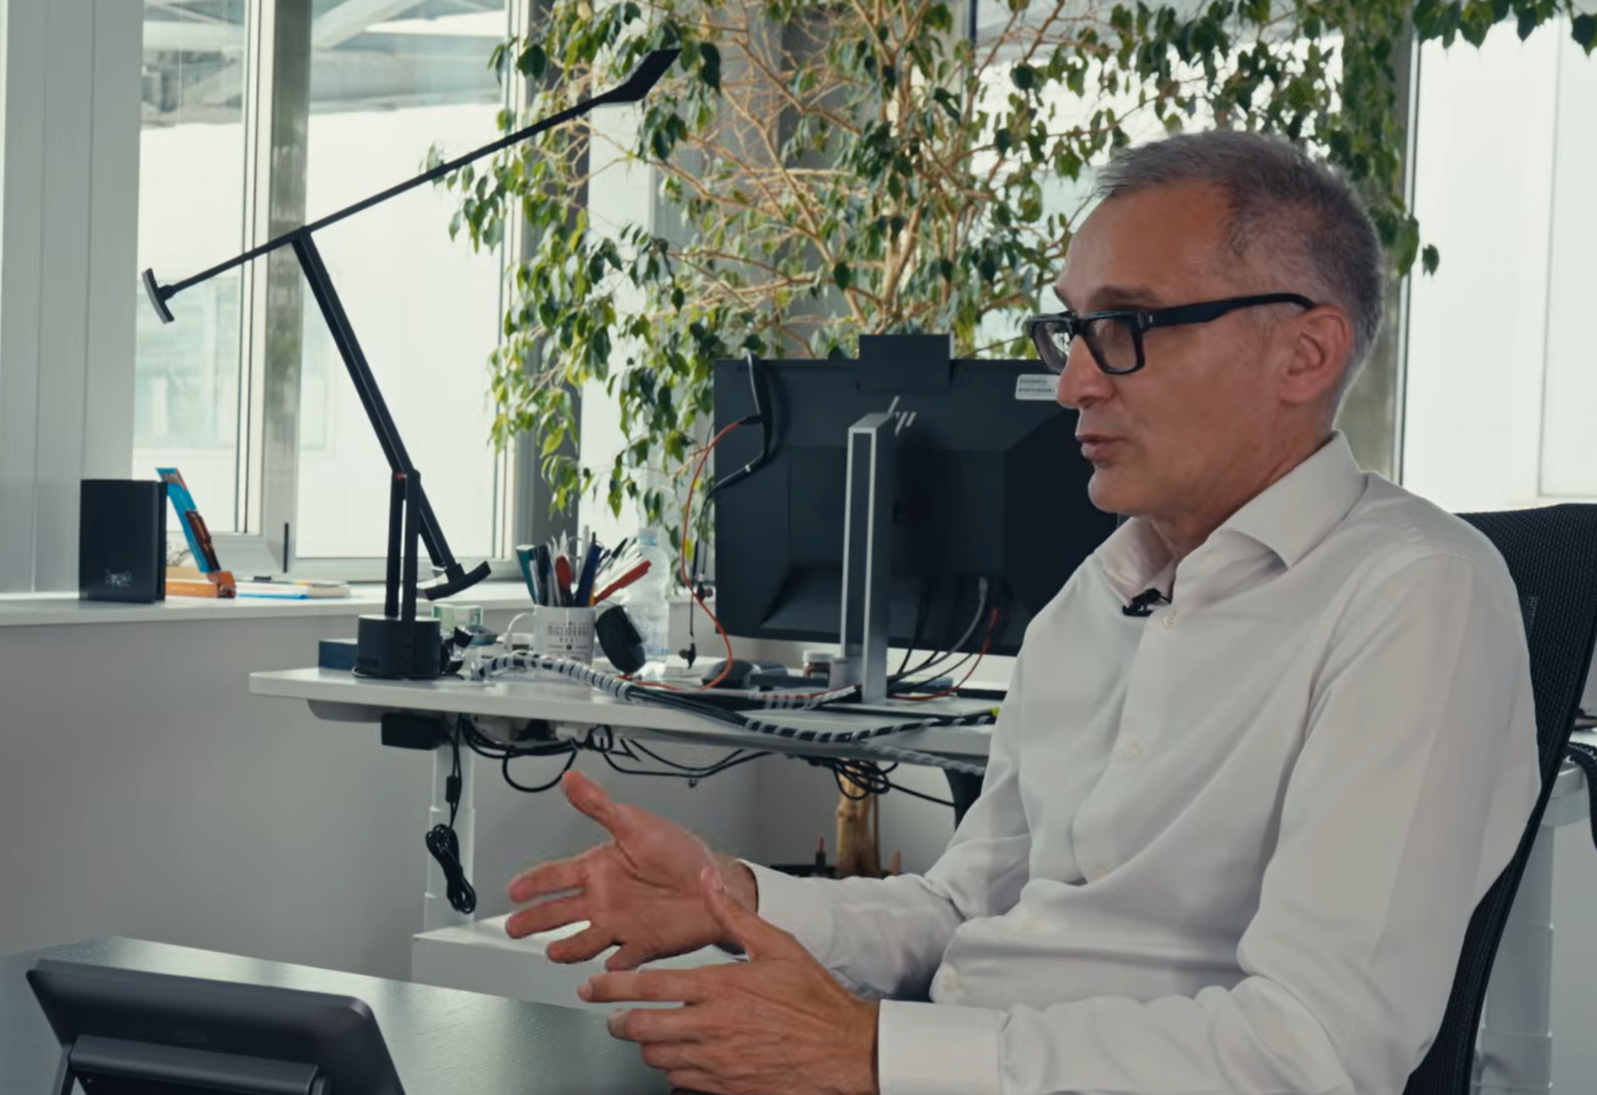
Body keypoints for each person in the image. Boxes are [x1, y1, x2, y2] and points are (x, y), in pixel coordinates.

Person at [506, 129, 1537, 1095]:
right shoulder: (1096, 595)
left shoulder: (1414, 595)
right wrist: (728, 894)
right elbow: (963, 908)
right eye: (1069, 331)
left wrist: (872, 1052)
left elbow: (1311, 1048)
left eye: (1126, 328)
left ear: (1305, 355)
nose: (1073, 382)